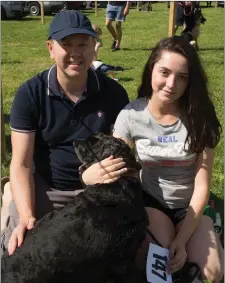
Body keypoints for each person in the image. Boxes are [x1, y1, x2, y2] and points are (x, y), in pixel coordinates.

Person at [83, 36, 224, 282]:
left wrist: (183, 238)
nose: (171, 84)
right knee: (160, 267)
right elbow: (120, 171)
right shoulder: (131, 116)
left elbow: (202, 185)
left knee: (214, 272)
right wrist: (89, 175)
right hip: (152, 204)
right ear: (151, 70)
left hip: (190, 206)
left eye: (182, 77)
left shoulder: (200, 118)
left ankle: (209, 225)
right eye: (165, 72)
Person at [1, 10, 129, 255]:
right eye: (66, 44)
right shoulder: (30, 94)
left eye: (83, 44)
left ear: (95, 47)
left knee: (118, 253)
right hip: (47, 188)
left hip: (97, 189)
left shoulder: (113, 93)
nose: (75, 53)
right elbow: (21, 164)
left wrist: (93, 178)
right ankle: (11, 203)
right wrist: (27, 217)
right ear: (50, 48)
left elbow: (121, 151)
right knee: (18, 251)